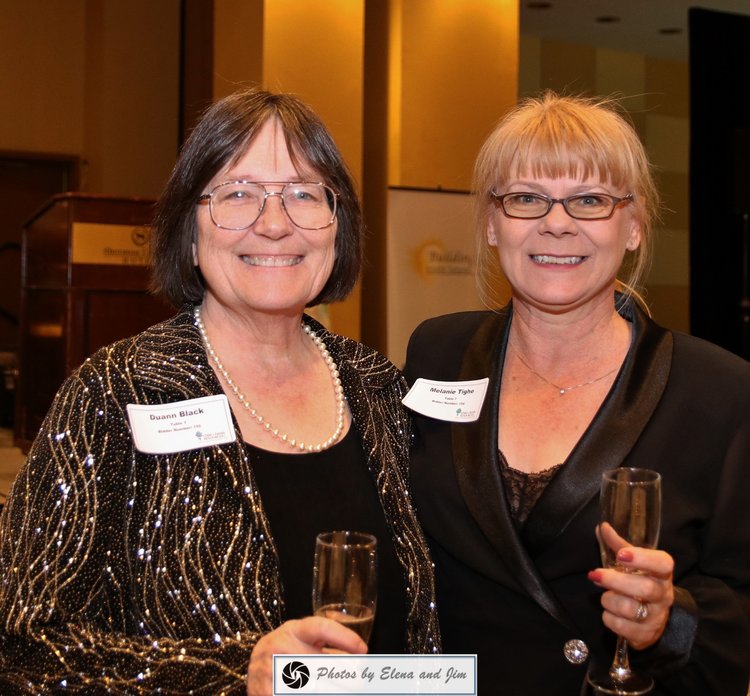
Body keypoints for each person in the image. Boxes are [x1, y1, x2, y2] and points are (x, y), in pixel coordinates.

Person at [0, 88, 439, 694]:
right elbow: (23, 642)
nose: (276, 223)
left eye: (306, 194)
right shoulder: (115, 393)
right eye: (238, 194)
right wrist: (237, 676)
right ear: (188, 225)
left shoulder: (379, 388)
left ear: (338, 225)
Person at [404, 92, 750, 695]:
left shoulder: (720, 392)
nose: (556, 222)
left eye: (590, 200)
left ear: (635, 224)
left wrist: (670, 621)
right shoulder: (437, 353)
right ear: (492, 222)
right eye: (526, 198)